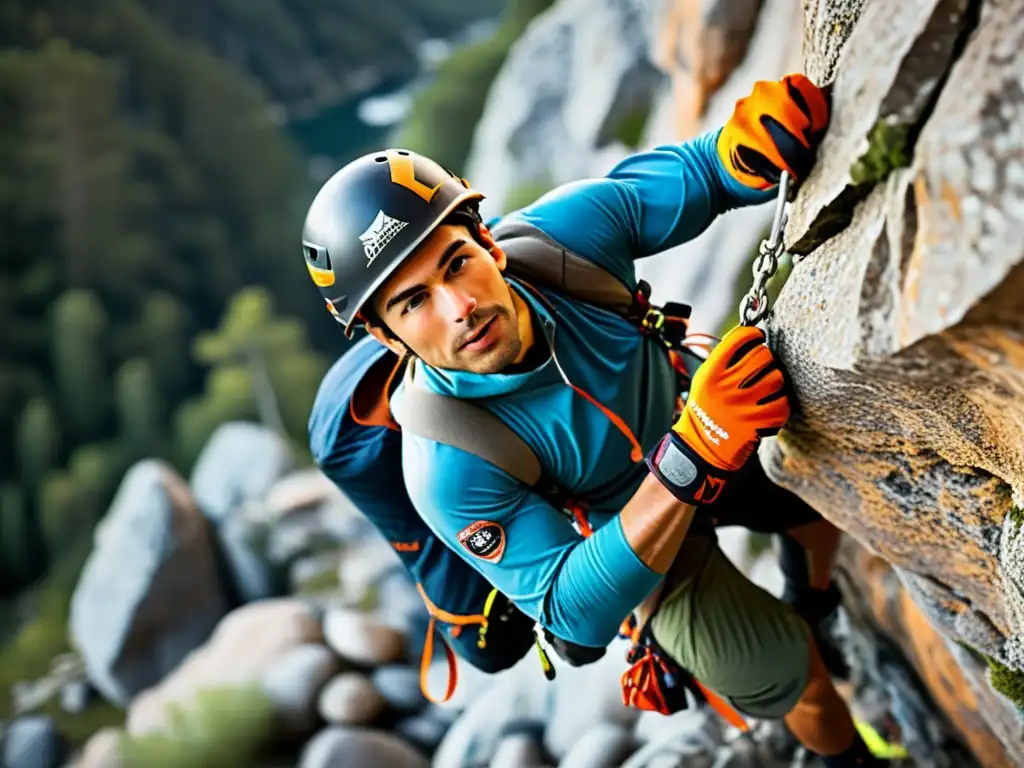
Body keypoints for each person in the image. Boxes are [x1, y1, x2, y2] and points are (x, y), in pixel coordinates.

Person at [304, 74, 881, 766]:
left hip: (695, 420)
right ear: (386, 337)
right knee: (800, 683)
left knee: (812, 498)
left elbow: (699, 172)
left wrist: (745, 148)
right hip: (634, 543)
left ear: (487, 242)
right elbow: (572, 610)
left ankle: (813, 599)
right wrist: (698, 448)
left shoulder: (559, 245)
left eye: (457, 263)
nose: (459, 306)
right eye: (413, 303)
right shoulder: (445, 462)